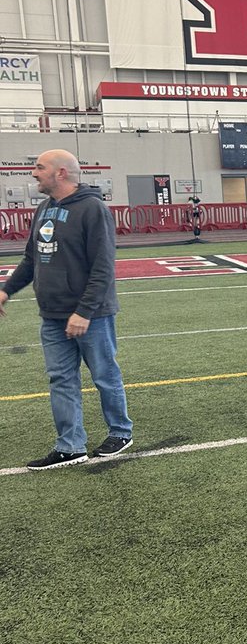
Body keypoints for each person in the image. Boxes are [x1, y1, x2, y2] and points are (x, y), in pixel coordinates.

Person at [0, 149, 133, 470]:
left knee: (104, 375)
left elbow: (103, 268)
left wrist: (84, 312)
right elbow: (32, 259)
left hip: (93, 316)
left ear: (60, 173)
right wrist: (6, 290)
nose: (33, 173)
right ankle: (71, 446)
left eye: (39, 167)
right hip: (53, 315)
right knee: (61, 379)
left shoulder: (92, 209)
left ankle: (121, 431)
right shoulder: (44, 209)